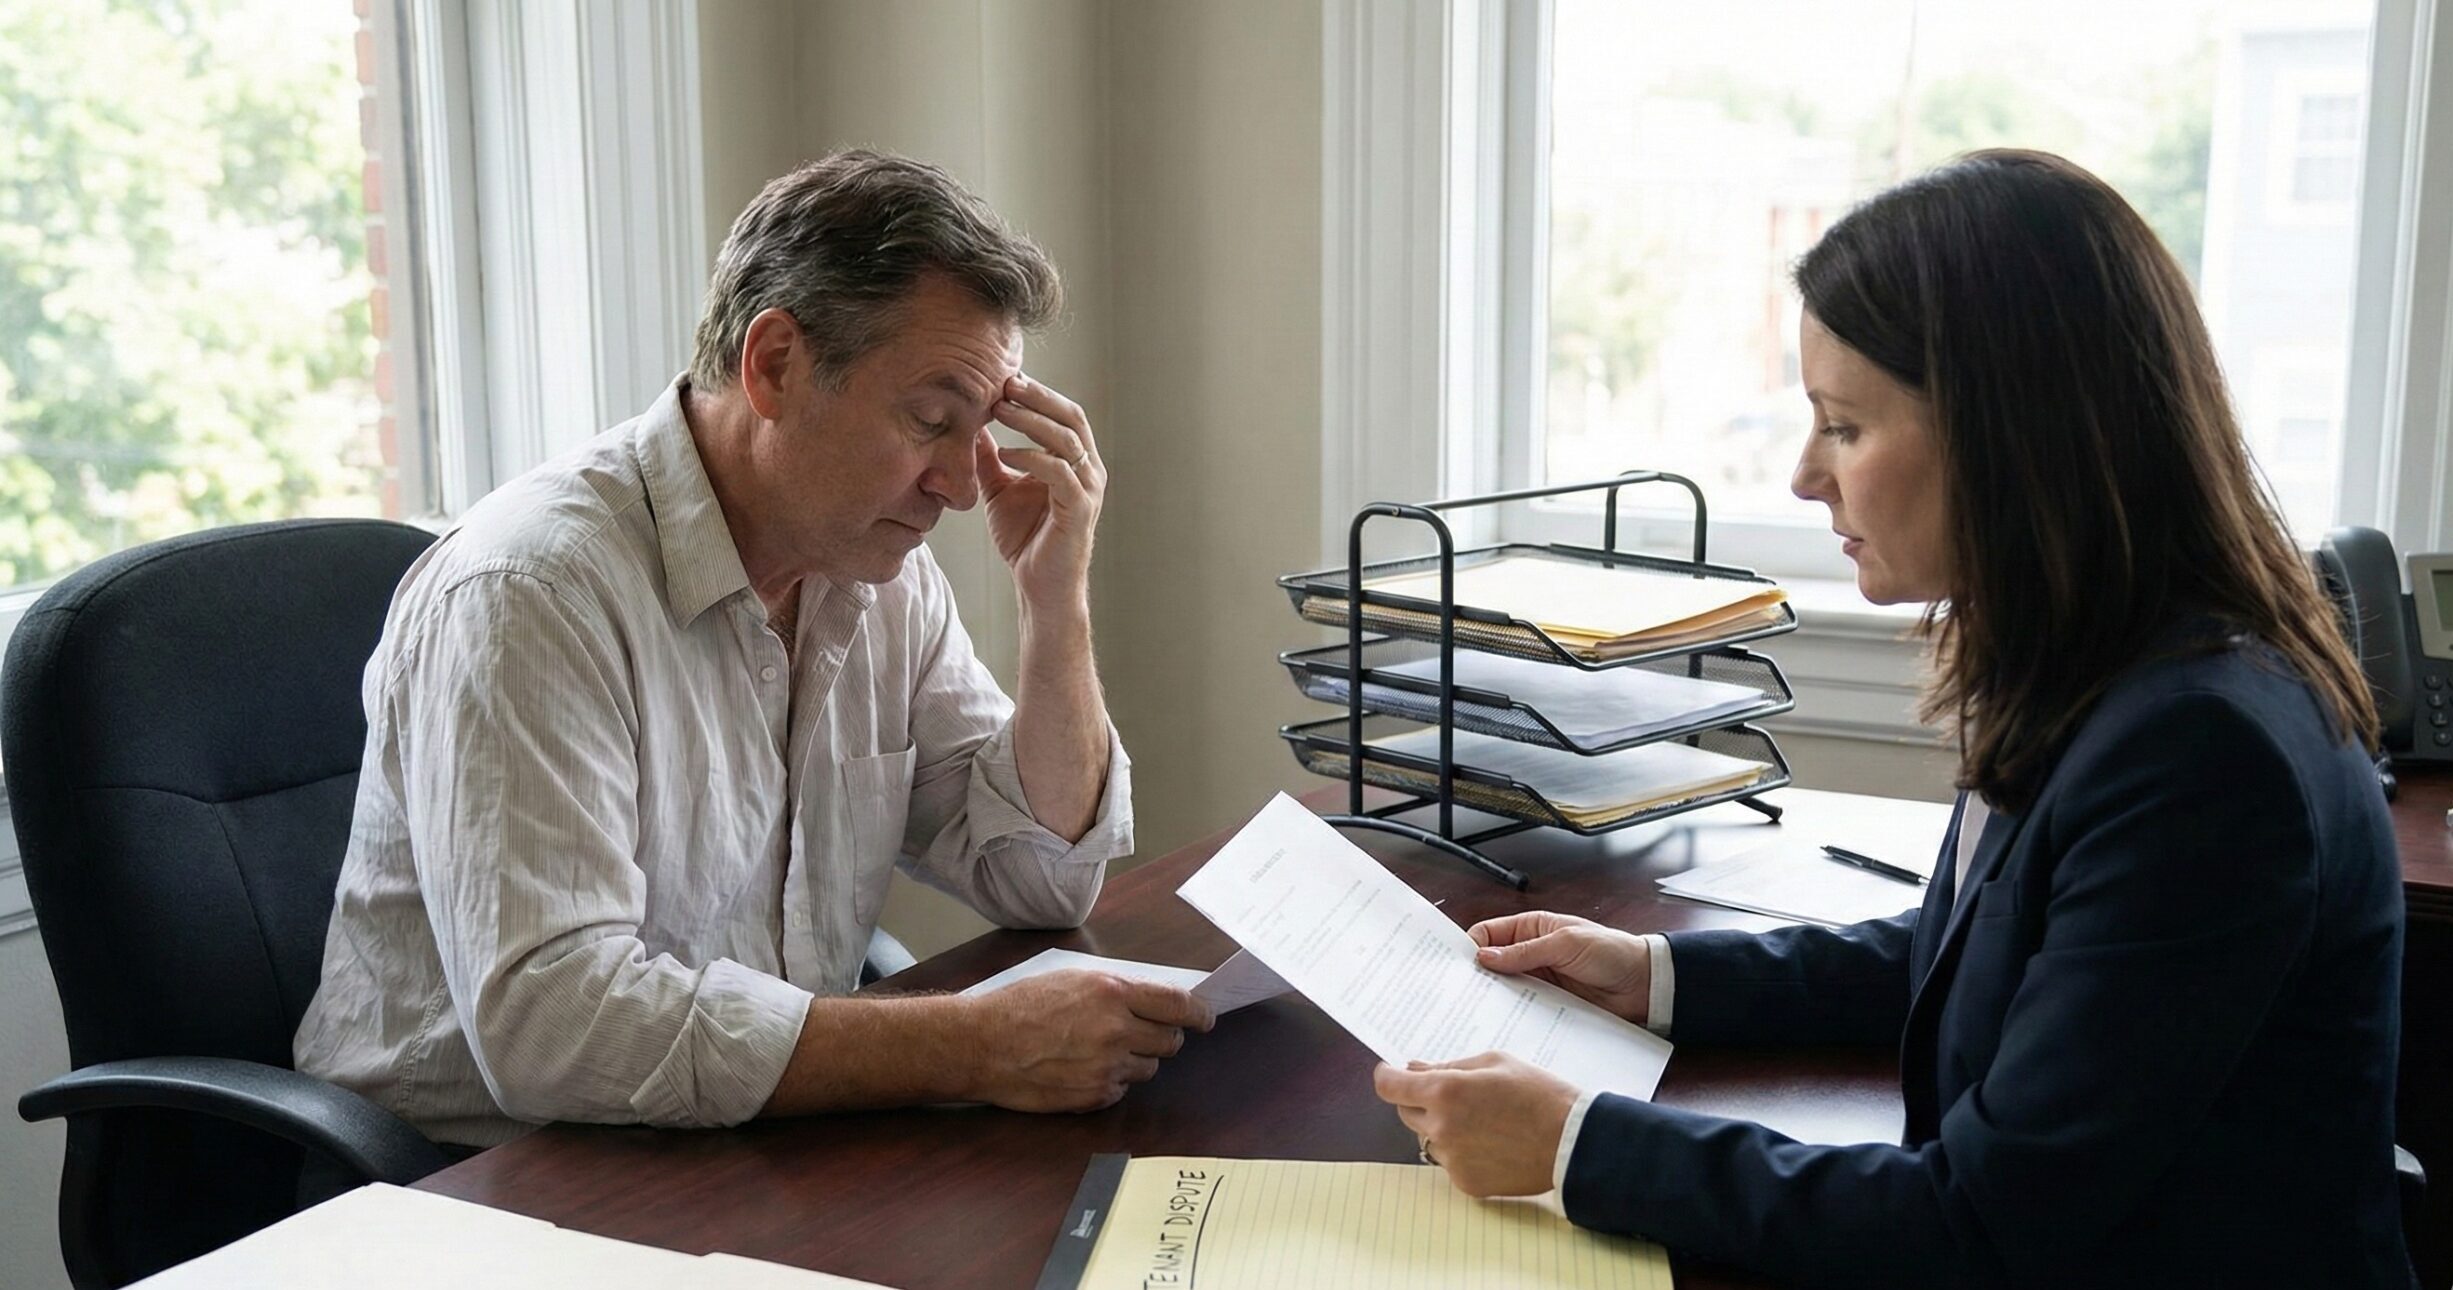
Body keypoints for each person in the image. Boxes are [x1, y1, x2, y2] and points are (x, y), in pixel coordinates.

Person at [1373, 149, 2411, 1286]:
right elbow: (1983, 954)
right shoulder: (2105, 665)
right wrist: (1655, 977)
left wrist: (1572, 1146)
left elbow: (1976, 1224)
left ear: (2009, 438)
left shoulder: (2199, 756)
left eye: (1844, 427)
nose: (1803, 478)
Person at [295, 150, 1211, 1150]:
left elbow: (1040, 880)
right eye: (929, 421)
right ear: (773, 366)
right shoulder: (530, 594)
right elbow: (555, 1031)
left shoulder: (874, 575)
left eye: (979, 428)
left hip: (736, 1136)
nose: (959, 484)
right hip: (476, 1184)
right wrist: (971, 1045)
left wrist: (1054, 600)